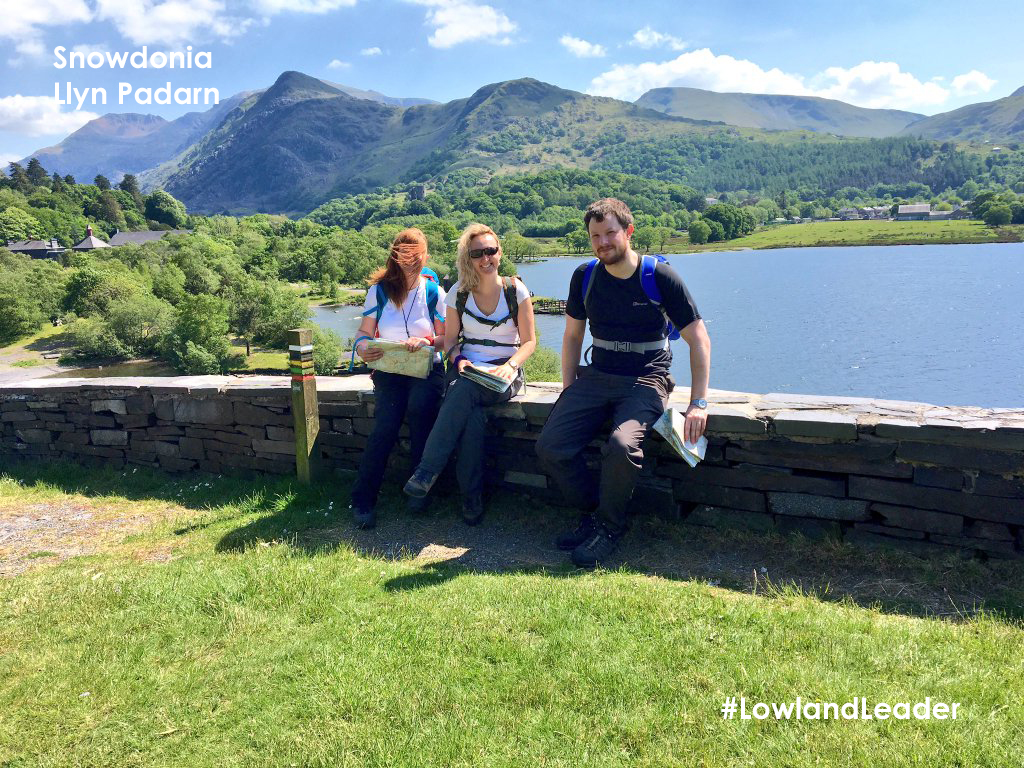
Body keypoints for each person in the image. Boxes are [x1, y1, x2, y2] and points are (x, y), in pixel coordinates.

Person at [536, 198, 711, 568]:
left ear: (629, 232)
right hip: (597, 376)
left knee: (621, 445)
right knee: (551, 445)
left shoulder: (659, 277)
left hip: (648, 377)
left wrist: (699, 403)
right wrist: (569, 388)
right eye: (595, 235)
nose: (603, 242)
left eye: (610, 233)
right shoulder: (585, 276)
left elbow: (699, 340)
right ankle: (593, 516)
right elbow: (571, 337)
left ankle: (611, 528)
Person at [403, 223, 537, 525]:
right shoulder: (458, 294)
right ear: (469, 257)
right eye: (478, 253)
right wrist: (460, 360)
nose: (485, 258)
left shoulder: (516, 290)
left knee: (462, 391)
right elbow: (449, 342)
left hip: (504, 374)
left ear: (500, 253)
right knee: (472, 416)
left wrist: (510, 365)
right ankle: (472, 498)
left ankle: (426, 472)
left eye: (491, 251)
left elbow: (529, 342)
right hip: (467, 370)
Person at [349, 228, 446, 529]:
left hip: (426, 370)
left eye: (416, 255)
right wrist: (363, 347)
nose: (410, 261)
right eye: (404, 255)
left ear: (425, 256)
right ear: (395, 256)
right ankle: (363, 500)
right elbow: (364, 333)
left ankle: (420, 493)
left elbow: (447, 338)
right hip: (389, 371)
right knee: (386, 426)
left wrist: (428, 341)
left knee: (420, 413)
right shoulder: (379, 290)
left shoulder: (434, 292)